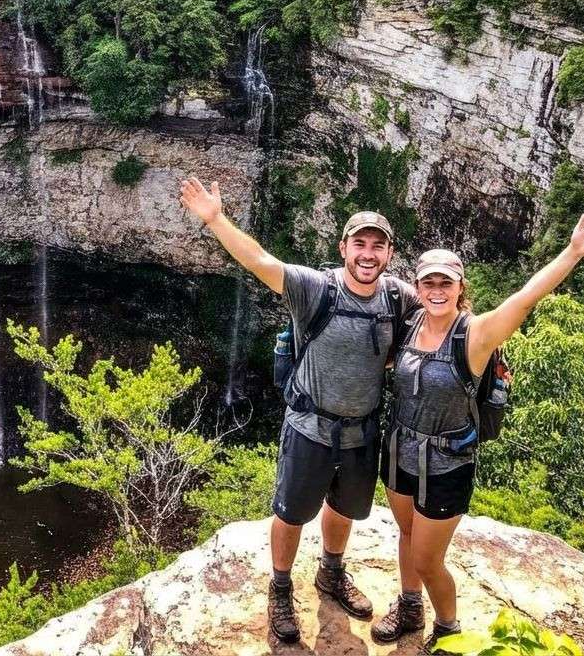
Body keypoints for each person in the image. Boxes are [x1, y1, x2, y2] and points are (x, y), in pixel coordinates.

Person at [372, 212, 584, 654]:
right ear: (418, 287)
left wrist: (572, 253)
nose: (437, 291)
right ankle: (410, 605)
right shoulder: (410, 324)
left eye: (446, 283)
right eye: (429, 283)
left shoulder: (475, 334)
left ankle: (449, 628)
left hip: (447, 463)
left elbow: (525, 299)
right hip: (399, 451)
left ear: (460, 288)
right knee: (407, 534)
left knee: (428, 560)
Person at [179, 176, 419, 645]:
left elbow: (442, 311)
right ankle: (281, 588)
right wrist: (215, 219)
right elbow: (260, 261)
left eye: (378, 246)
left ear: (390, 254)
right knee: (290, 514)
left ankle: (331, 572)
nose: (368, 254)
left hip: (362, 431)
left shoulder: (398, 298)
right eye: (360, 244)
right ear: (343, 248)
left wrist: (483, 355)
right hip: (309, 426)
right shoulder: (316, 288)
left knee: (343, 508)